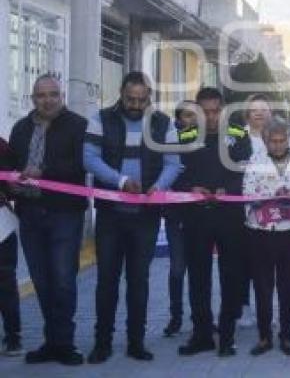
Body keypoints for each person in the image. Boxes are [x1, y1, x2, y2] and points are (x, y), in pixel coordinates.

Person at [84, 72, 183, 363]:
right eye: (131, 99)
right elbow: (89, 158)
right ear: (121, 93)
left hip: (146, 216)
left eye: (142, 99)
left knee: (139, 280)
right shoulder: (100, 119)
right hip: (110, 215)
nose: (136, 105)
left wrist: (159, 187)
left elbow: (173, 163)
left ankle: (136, 342)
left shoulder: (164, 124)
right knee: (106, 281)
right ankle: (102, 342)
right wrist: (120, 181)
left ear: (149, 96)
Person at [7, 75, 87, 365]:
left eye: (53, 94)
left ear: (61, 95)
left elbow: (80, 165)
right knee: (41, 280)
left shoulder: (78, 126)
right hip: (30, 213)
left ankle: (65, 342)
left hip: (64, 213)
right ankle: (51, 341)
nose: (48, 100)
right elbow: (13, 166)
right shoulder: (20, 128)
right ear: (32, 99)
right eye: (41, 95)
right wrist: (12, 186)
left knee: (63, 279)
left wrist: (46, 172)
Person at [175, 87, 253, 357]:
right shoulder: (184, 136)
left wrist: (228, 189)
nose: (210, 117)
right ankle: (202, 335)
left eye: (215, 111)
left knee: (230, 276)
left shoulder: (238, 133)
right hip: (196, 216)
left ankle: (228, 335)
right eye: (204, 111)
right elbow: (176, 172)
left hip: (229, 217)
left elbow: (246, 168)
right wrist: (191, 187)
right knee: (198, 278)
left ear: (223, 109)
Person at [242, 118, 290, 356]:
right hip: (261, 232)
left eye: (283, 140)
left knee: (288, 286)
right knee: (262, 286)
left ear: (289, 140)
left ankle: (286, 336)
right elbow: (248, 193)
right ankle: (264, 336)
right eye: (274, 141)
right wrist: (273, 193)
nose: (279, 145)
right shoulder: (255, 161)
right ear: (265, 140)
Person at [238, 94, 274, 331]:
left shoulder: (278, 137)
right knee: (243, 261)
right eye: (254, 109)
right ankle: (243, 306)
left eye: (264, 109)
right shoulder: (237, 137)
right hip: (243, 209)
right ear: (247, 113)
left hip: (273, 210)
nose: (259, 113)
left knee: (268, 263)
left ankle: (270, 310)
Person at [162, 101, 197, 338]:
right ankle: (175, 317)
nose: (192, 120)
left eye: (196, 115)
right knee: (177, 269)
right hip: (177, 216)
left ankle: (199, 318)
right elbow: (167, 174)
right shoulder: (171, 141)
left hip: (201, 215)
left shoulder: (204, 140)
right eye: (187, 115)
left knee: (199, 271)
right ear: (178, 118)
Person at [0, 137, 21, 357]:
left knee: (5, 281)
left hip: (0, 225)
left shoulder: (1, 147)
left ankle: (13, 337)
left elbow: (13, 186)